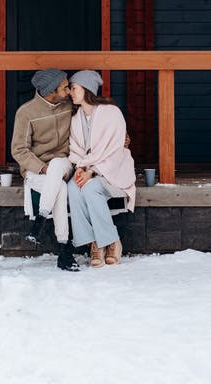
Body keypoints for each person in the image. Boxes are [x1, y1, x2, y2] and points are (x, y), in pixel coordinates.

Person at [11, 68, 79, 272]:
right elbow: (19, 150)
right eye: (65, 87)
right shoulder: (26, 112)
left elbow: (93, 116)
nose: (69, 91)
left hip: (64, 164)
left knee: (58, 166)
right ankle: (64, 248)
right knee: (59, 187)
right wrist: (42, 168)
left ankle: (39, 221)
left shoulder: (69, 106)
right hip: (38, 170)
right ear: (51, 91)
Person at [67, 70, 136, 268]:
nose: (71, 92)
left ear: (86, 88)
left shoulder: (111, 113)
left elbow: (115, 149)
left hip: (112, 170)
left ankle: (109, 240)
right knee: (73, 188)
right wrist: (80, 168)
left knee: (89, 188)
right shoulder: (76, 117)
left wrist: (93, 171)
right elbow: (76, 148)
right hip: (88, 169)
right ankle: (96, 241)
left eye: (74, 88)